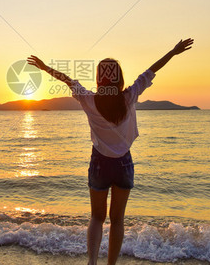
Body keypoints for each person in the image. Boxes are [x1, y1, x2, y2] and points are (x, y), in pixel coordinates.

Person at [26, 38, 194, 265]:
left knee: (96, 217)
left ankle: (92, 262)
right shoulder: (129, 96)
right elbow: (151, 70)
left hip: (99, 163)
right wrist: (173, 52)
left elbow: (68, 80)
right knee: (117, 220)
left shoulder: (89, 100)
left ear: (98, 78)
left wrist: (45, 68)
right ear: (119, 78)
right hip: (123, 163)